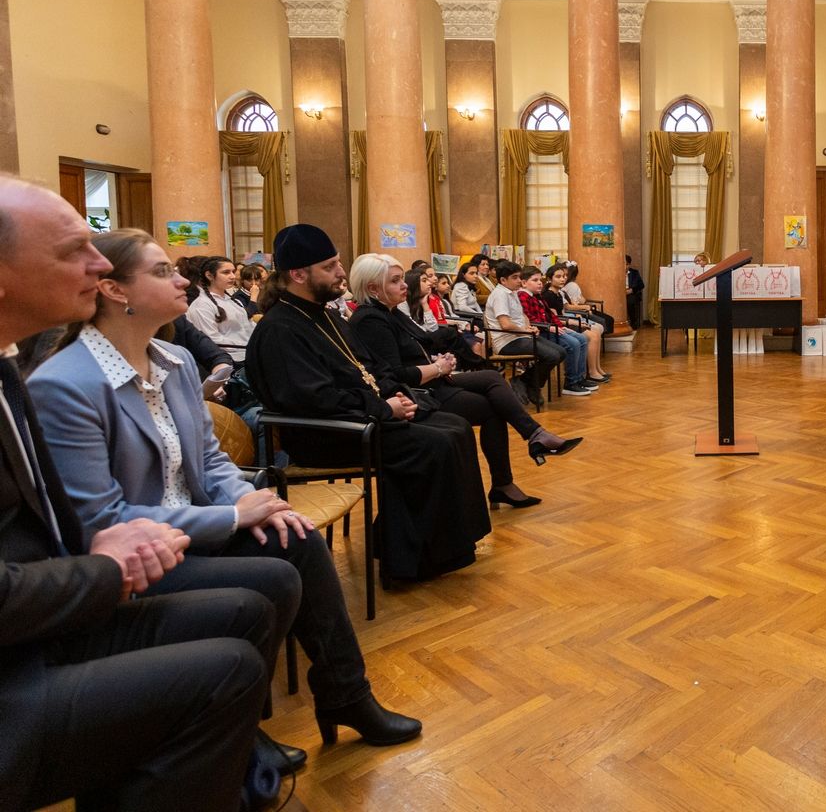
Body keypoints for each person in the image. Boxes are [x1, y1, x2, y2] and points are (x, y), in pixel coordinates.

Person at [29, 229, 422, 751]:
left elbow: (211, 460)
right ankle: (235, 728)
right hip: (142, 554)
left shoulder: (172, 361)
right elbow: (103, 521)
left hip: (199, 526)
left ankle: (345, 695)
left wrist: (247, 499)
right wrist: (235, 516)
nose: (180, 280)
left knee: (297, 537)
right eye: (162, 272)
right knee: (271, 577)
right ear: (115, 291)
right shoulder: (66, 384)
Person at [0, 175, 276, 812]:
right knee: (228, 669)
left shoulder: (10, 368)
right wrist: (105, 566)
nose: (99, 266)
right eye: (73, 250)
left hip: (45, 611)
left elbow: (203, 461)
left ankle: (242, 770)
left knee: (250, 608)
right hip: (16, 666)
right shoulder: (57, 378)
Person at [246, 224, 492, 581]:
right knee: (432, 444)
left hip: (359, 417)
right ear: (298, 274)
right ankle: (412, 560)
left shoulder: (326, 315)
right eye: (330, 266)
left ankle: (434, 544)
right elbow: (313, 399)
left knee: (454, 426)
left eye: (338, 263)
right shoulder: (280, 328)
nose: (341, 272)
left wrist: (395, 396)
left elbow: (369, 368)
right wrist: (384, 408)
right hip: (325, 434)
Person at [348, 253, 581, 507]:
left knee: (492, 377)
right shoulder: (371, 319)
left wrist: (438, 360)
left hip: (431, 380)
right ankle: (514, 469)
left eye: (402, 279)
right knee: (494, 408)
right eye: (395, 281)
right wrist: (437, 368)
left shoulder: (390, 312)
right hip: (417, 394)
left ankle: (533, 439)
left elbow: (421, 345)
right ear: (373, 288)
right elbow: (395, 375)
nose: (405, 285)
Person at [483, 259, 569, 406]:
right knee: (552, 355)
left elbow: (521, 315)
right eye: (515, 277)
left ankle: (524, 381)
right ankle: (532, 385)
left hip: (521, 336)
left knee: (561, 352)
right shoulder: (500, 295)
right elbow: (505, 324)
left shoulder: (512, 292)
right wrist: (524, 330)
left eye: (519, 276)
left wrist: (529, 327)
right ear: (503, 280)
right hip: (507, 342)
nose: (519, 280)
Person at [518, 266, 595, 396]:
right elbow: (529, 319)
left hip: (551, 328)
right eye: (535, 280)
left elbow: (550, 314)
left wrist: (560, 326)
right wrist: (550, 327)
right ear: (524, 283)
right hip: (542, 332)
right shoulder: (523, 296)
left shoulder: (537, 295)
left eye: (540, 280)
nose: (539, 283)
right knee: (573, 344)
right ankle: (570, 383)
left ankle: (579, 378)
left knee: (582, 338)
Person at [543, 263, 609, 384]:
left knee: (596, 332)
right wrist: (574, 321)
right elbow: (554, 318)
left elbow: (562, 311)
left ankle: (596, 369)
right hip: (559, 324)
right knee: (592, 336)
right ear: (549, 279)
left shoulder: (558, 293)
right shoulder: (548, 295)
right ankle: (591, 372)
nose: (562, 279)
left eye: (564, 276)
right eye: (558, 277)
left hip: (564, 321)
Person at [186, 256, 256, 362]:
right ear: (209, 275)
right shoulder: (201, 305)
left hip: (247, 354)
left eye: (233, 272)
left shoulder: (233, 300)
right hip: (229, 360)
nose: (232, 276)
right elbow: (212, 340)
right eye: (226, 272)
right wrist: (247, 344)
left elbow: (247, 325)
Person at [625, 255, 645, 330]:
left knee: (630, 301)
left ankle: (633, 323)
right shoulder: (616, 272)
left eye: (627, 264)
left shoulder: (634, 273)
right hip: (619, 294)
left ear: (629, 264)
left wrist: (631, 290)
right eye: (623, 264)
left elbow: (641, 285)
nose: (625, 266)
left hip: (631, 293)